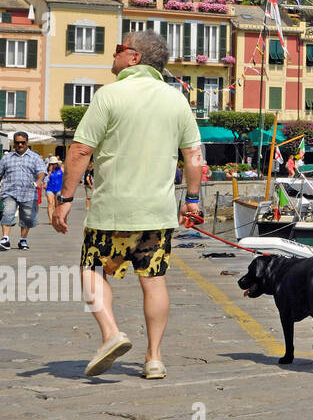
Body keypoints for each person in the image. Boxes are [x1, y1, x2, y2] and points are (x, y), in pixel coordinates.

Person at [53, 30, 203, 380]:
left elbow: (79, 151)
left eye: (118, 48)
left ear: (134, 57)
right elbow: (194, 157)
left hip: (112, 210)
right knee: (154, 280)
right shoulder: (176, 99)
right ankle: (154, 358)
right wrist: (192, 200)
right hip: (158, 211)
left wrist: (66, 198)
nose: (114, 54)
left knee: (92, 269)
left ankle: (110, 333)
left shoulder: (109, 95)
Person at [1, 132, 47, 251]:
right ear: (14, 143)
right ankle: (5, 239)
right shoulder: (7, 158)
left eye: (23, 142)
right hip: (9, 191)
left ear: (27, 142)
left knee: (27, 217)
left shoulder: (35, 157)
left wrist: (39, 181)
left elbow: (41, 171)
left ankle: (23, 240)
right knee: (7, 212)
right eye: (17, 142)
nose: (20, 144)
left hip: (29, 192)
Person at [45, 157, 65, 225]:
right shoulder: (47, 171)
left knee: (57, 204)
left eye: (54, 164)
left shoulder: (61, 169)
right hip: (49, 188)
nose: (53, 165)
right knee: (50, 203)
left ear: (57, 163)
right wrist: (50, 172)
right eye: (52, 164)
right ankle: (50, 220)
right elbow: (45, 179)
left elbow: (67, 176)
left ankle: (56, 218)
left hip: (59, 188)